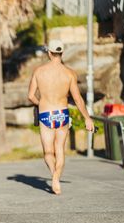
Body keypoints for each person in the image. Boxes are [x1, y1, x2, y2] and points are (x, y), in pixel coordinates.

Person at [28, 39, 94, 195]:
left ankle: (53, 175)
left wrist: (40, 103)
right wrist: (87, 118)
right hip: (62, 114)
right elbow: (78, 99)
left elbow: (31, 96)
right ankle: (57, 177)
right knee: (60, 150)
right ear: (61, 53)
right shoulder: (69, 73)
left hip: (46, 114)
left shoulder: (39, 71)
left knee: (48, 153)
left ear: (49, 53)